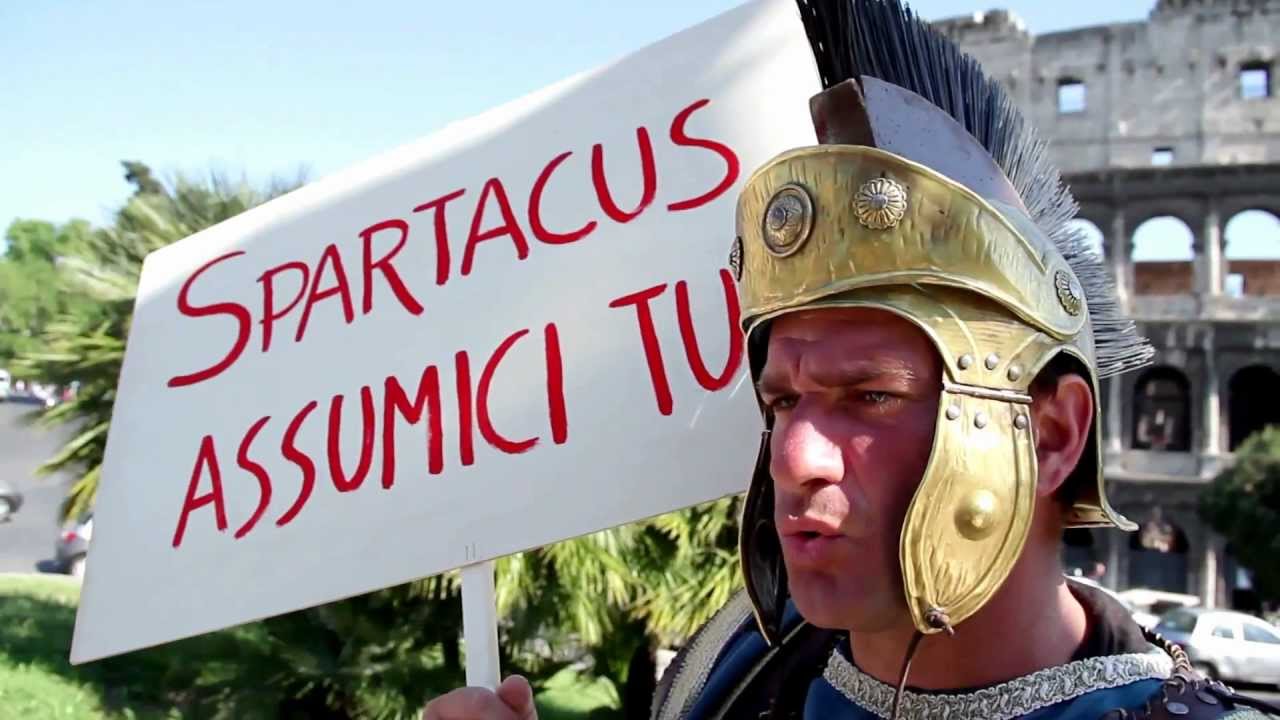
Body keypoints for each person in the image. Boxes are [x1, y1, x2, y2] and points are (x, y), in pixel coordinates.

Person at [424, 1, 1280, 718]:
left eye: (871, 395)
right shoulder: (726, 673)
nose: (793, 457)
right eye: (782, 402)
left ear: (1051, 434)